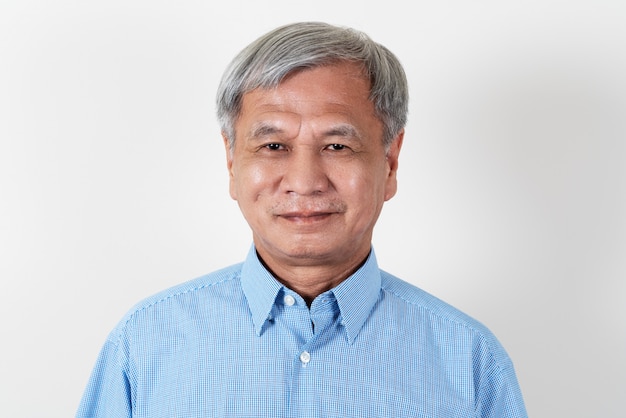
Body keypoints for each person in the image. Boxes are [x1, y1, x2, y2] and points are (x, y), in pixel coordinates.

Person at [76, 21, 527, 417]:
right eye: (273, 146)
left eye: (337, 146)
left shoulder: (469, 360)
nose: (305, 181)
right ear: (232, 162)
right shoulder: (145, 344)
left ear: (390, 162)